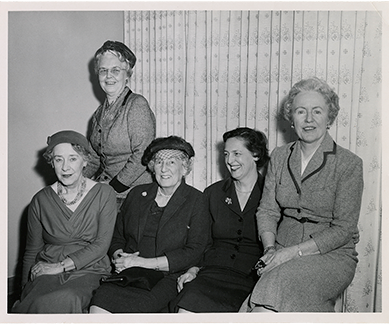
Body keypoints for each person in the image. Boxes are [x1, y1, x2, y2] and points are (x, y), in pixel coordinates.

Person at [239, 77, 364, 313]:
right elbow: (267, 210)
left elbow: (344, 228)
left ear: (329, 118)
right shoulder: (279, 156)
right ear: (291, 118)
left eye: (317, 111)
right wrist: (269, 249)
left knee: (267, 298)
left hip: (331, 254)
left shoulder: (349, 163)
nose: (308, 119)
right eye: (300, 111)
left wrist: (290, 254)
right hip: (280, 247)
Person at [89, 135, 211, 313]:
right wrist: (120, 257)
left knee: (135, 312)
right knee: (98, 306)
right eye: (159, 162)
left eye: (171, 162)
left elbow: (195, 250)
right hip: (128, 273)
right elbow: (118, 236)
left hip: (167, 276)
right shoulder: (137, 194)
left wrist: (142, 262)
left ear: (184, 168)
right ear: (152, 167)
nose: (164, 169)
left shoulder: (196, 200)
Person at [12, 130, 117, 313]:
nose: (65, 167)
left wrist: (60, 267)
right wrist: (24, 289)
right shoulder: (40, 200)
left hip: (90, 269)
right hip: (46, 268)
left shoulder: (104, 194)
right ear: (52, 162)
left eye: (73, 159)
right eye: (59, 159)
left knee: (68, 298)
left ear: (85, 161)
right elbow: (32, 251)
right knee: (33, 301)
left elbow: (101, 245)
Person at [168, 127, 270, 313]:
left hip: (253, 279)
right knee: (185, 310)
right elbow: (202, 241)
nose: (230, 161)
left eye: (237, 153)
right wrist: (193, 269)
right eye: (226, 154)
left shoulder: (272, 194)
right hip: (212, 273)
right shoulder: (213, 193)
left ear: (255, 154)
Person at [84, 40, 156, 210]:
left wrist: (112, 187)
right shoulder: (98, 114)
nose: (109, 76)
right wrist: (76, 181)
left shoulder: (136, 105)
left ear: (128, 74)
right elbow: (94, 157)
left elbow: (143, 154)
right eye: (103, 71)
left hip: (132, 196)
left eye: (116, 70)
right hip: (108, 192)